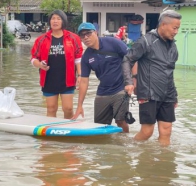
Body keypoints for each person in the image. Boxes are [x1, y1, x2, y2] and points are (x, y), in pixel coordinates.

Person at [122, 10, 182, 146]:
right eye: (174, 28)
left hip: (167, 94)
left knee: (166, 131)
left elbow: (169, 72)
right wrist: (129, 81)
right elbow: (127, 60)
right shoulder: (146, 41)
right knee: (147, 132)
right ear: (163, 25)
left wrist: (174, 96)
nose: (176, 31)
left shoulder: (173, 46)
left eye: (178, 28)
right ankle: (130, 150)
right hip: (148, 93)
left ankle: (163, 162)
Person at [72, 22, 130, 132]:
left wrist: (133, 82)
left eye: (88, 34)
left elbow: (131, 58)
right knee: (99, 126)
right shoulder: (86, 57)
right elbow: (84, 81)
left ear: (95, 32)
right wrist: (79, 105)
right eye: (82, 36)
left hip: (121, 89)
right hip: (103, 92)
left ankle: (125, 144)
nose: (86, 38)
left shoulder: (113, 43)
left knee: (120, 120)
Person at [31, 9, 83, 119]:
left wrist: (80, 75)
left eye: (58, 19)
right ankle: (51, 132)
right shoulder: (41, 39)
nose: (55, 21)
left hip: (67, 79)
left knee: (68, 108)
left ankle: (68, 131)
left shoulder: (73, 38)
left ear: (63, 21)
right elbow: (33, 58)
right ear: (49, 21)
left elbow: (78, 58)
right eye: (53, 19)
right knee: (51, 108)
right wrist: (40, 65)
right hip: (49, 79)